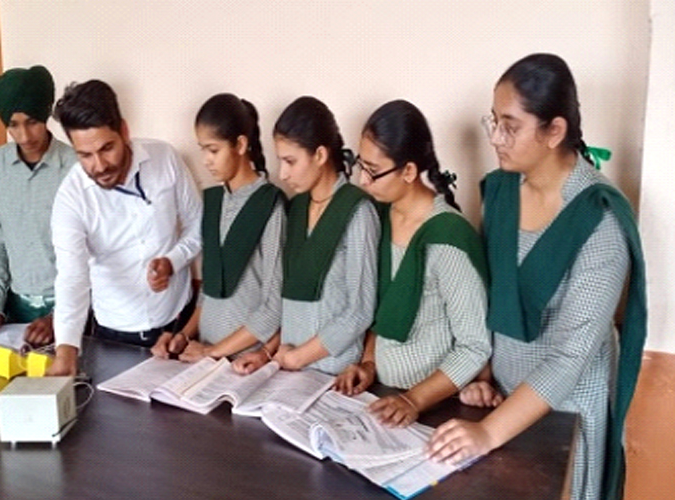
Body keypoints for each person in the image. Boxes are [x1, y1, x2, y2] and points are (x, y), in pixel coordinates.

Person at [427, 54, 646, 500]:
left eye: (510, 126)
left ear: (554, 131)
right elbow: (494, 295)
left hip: (568, 410)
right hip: (503, 401)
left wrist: (488, 433)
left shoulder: (599, 219)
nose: (496, 138)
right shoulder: (501, 193)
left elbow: (570, 357)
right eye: (494, 121)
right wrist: (484, 375)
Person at [333, 100, 491, 427]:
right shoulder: (383, 216)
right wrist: (368, 364)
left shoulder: (447, 237)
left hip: (437, 407)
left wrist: (414, 400)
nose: (362, 181)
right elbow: (383, 312)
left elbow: (474, 346)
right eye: (361, 165)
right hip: (385, 395)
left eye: (373, 171)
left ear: (408, 171)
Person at [46, 80, 202, 376]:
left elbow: (198, 224)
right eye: (85, 155)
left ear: (124, 131)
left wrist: (173, 261)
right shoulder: (71, 198)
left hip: (179, 325)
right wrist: (66, 351)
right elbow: (71, 277)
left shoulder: (165, 157)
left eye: (107, 148)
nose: (99, 166)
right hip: (114, 338)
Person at [233, 96, 378, 376]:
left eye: (290, 161)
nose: (283, 174)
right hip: (287, 366)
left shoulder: (358, 210)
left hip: (333, 373)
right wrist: (266, 353)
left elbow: (360, 310)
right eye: (280, 161)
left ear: (320, 155)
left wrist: (299, 358)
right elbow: (291, 303)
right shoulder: (296, 208)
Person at [151, 93, 284, 362]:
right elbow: (208, 292)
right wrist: (183, 335)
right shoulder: (213, 202)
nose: (206, 160)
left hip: (244, 361)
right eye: (202, 149)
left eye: (213, 150)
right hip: (203, 357)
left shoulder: (270, 204)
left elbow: (273, 307)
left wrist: (213, 352)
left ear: (241, 144)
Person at [0, 65, 77, 346]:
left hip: (70, 307)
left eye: (32, 122)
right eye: (13, 125)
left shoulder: (75, 165)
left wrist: (59, 316)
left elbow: (93, 251)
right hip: (16, 308)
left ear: (46, 115)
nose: (24, 136)